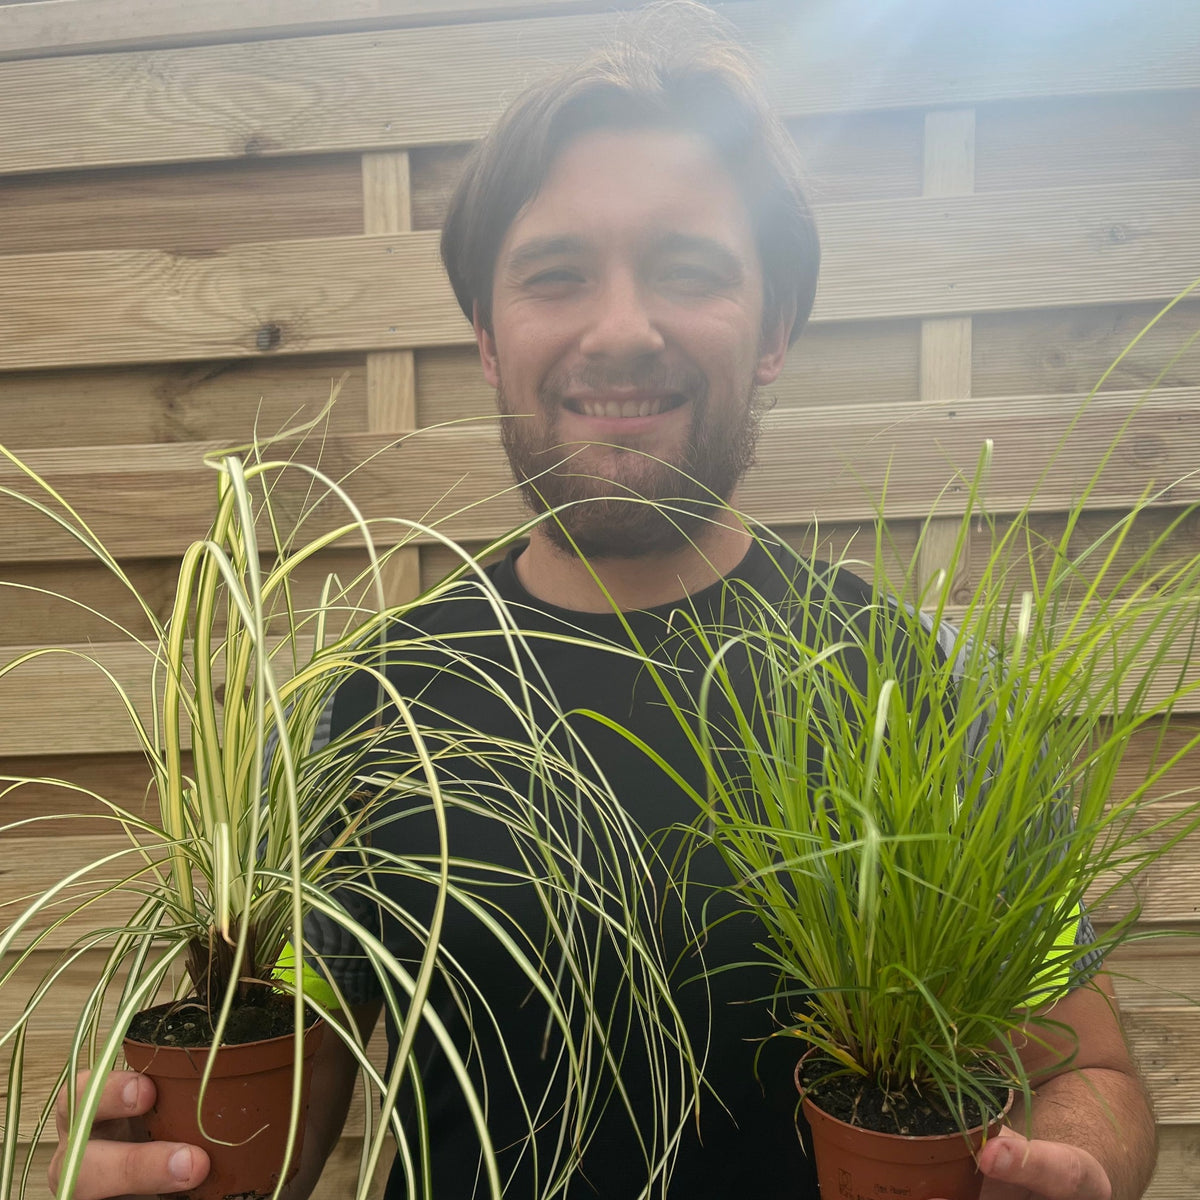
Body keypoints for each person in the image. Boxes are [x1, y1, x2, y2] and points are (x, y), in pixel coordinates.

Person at [51, 4, 1156, 1198]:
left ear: (774, 329)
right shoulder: (363, 711)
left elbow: (1087, 1067)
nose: (621, 329)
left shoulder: (917, 691)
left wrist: (1076, 1163)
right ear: (487, 335)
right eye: (557, 275)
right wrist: (154, 1160)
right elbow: (279, 1092)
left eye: (688, 271)